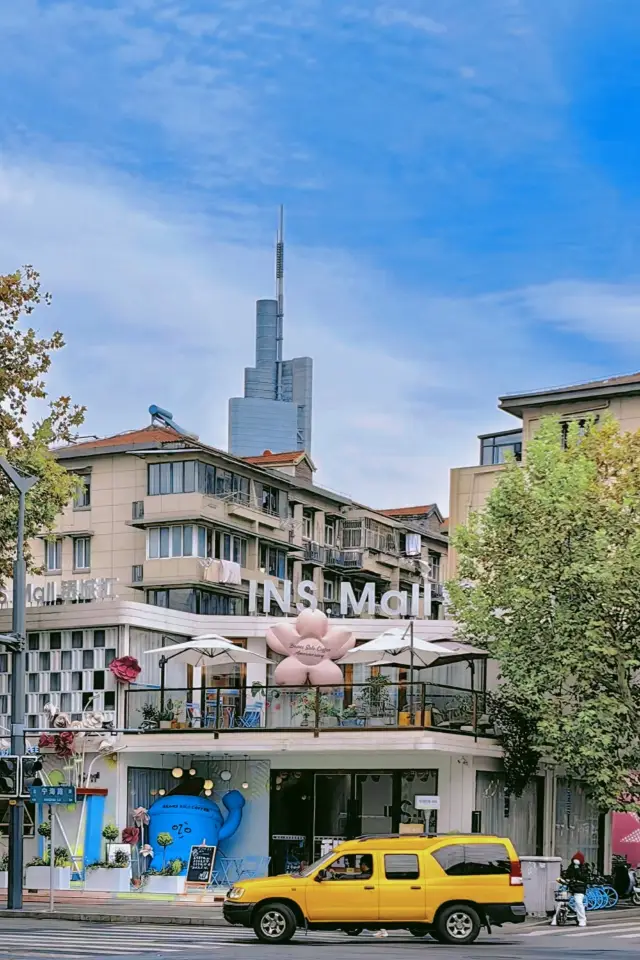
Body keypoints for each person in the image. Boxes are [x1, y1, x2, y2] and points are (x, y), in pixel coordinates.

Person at [551, 852, 589, 927]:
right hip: (570, 887)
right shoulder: (571, 867)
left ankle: (582, 919)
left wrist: (577, 870)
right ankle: (555, 919)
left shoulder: (584, 868)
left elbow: (583, 877)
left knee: (578, 902)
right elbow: (567, 875)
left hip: (579, 888)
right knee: (561, 901)